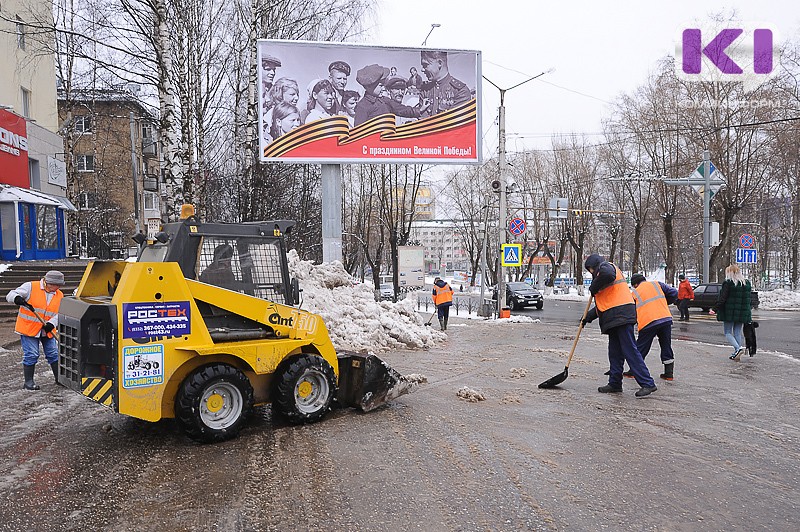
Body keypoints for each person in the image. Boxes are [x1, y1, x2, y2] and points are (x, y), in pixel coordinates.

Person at [582, 255, 657, 397]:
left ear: (596, 265)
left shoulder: (606, 267)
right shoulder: (601, 277)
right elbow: (606, 303)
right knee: (615, 352)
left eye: (591, 269)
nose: (591, 272)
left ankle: (648, 383)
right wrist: (587, 317)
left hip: (621, 315)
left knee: (630, 350)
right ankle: (615, 383)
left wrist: (594, 286)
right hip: (615, 316)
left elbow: (608, 275)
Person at [6, 270, 65, 390]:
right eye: (56, 285)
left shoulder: (59, 295)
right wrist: (17, 298)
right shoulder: (31, 287)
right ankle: (28, 382)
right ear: (48, 282)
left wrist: (51, 324)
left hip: (47, 330)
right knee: (32, 355)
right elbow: (10, 295)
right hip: (29, 329)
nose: (58, 288)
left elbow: (59, 313)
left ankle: (59, 379)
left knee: (54, 354)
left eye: (60, 285)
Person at [628, 273, 679, 381]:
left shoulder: (634, 293)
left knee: (641, 347)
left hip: (648, 322)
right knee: (666, 345)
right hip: (665, 318)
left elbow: (632, 311)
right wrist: (665, 302)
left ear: (635, 284)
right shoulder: (657, 284)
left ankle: (634, 371)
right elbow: (674, 293)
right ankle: (668, 374)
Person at [354, 64, 429, 127]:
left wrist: (420, 110)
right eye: (381, 85)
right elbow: (359, 132)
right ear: (368, 86)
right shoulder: (362, 106)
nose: (383, 88)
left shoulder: (384, 100)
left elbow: (401, 109)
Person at [715, 264, 752, 361]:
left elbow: (723, 298)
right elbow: (748, 300)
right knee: (737, 332)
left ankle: (738, 348)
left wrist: (715, 308)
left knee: (727, 332)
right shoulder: (746, 283)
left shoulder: (728, 283)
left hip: (729, 311)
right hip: (742, 312)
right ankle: (737, 352)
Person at [419, 50, 472, 115]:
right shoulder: (425, 90)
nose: (422, 69)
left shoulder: (461, 91)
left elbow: (455, 122)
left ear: (440, 63)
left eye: (425, 65)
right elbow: (422, 120)